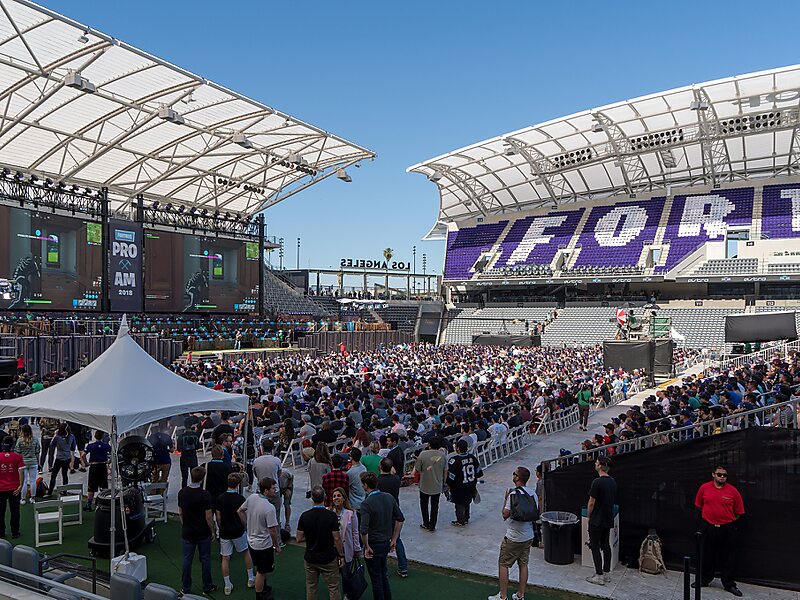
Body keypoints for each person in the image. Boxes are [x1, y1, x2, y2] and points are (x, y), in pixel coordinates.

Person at [694, 465, 745, 597]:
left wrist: (729, 520)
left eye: (724, 475)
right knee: (706, 555)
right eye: (719, 474)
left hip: (727, 528)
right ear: (713, 474)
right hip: (709, 527)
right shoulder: (704, 488)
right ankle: (704, 580)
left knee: (728, 557)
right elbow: (699, 505)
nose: (722, 477)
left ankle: (728, 584)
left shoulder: (733, 491)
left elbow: (739, 511)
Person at [488, 467, 537, 600]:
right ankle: (521, 595)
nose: (513, 475)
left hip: (513, 537)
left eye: (514, 474)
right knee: (523, 564)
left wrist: (505, 499)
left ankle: (503, 596)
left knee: (503, 564)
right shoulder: (533, 494)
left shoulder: (512, 494)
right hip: (528, 536)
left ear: (517, 478)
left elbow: (505, 514)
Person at [360, 471, 404, 600]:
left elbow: (364, 530)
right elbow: (400, 518)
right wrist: (394, 539)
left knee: (376, 578)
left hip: (373, 544)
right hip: (386, 542)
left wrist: (366, 546)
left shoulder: (366, 503)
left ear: (365, 485)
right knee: (382, 574)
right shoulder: (389, 497)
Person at [296, 486, 345, 600]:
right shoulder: (331, 516)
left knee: (311, 587)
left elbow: (298, 538)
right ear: (325, 497)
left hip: (311, 558)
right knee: (333, 588)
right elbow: (337, 539)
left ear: (312, 498)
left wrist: (309, 536)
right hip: (328, 558)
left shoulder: (305, 516)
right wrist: (341, 555)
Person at [239, 477, 281, 600]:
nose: (275, 490)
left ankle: (263, 587)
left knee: (261, 567)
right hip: (263, 544)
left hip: (251, 541)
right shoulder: (269, 508)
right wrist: (277, 545)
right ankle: (259, 595)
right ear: (266, 490)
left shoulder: (252, 498)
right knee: (261, 572)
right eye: (273, 488)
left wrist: (247, 524)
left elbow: (240, 511)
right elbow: (273, 530)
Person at [178, 466, 217, 595]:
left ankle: (185, 587)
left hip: (188, 531)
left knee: (187, 560)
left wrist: (185, 524)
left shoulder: (182, 492)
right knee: (205, 559)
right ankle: (207, 586)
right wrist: (212, 530)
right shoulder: (205, 495)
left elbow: (181, 513)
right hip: (202, 532)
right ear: (202, 479)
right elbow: (208, 516)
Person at [216, 473, 256, 595]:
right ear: (238, 484)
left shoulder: (220, 498)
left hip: (224, 531)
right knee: (245, 552)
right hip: (238, 530)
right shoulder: (240, 499)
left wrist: (220, 527)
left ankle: (227, 585)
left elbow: (218, 516)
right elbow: (243, 516)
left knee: (225, 557)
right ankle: (250, 578)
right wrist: (245, 526)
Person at [585, 457, 617, 586]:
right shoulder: (612, 482)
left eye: (597, 462)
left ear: (600, 466)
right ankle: (606, 573)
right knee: (605, 545)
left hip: (597, 519)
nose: (595, 464)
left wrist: (589, 516)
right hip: (607, 518)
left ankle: (599, 575)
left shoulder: (597, 482)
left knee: (595, 546)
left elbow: (591, 502)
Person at [377, 458, 408, 577]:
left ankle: (384, 570)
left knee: (383, 541)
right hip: (394, 512)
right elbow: (394, 473)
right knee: (397, 540)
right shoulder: (396, 479)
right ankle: (403, 567)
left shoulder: (378, 481)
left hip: (382, 514)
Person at [412, 436, 447, 532]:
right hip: (437, 484)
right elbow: (445, 471)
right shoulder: (442, 455)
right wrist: (444, 483)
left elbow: (418, 469)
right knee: (435, 505)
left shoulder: (423, 454)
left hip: (424, 484)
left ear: (429, 445)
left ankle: (426, 523)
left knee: (424, 504)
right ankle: (432, 525)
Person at [446, 439, 483, 527]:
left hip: (459, 487)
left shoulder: (454, 460)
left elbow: (451, 476)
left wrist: (448, 484)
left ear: (458, 448)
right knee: (467, 501)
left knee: (459, 503)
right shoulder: (472, 457)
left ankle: (460, 520)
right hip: (471, 484)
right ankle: (466, 518)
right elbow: (479, 472)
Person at [330, 486, 362, 574]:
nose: (336, 498)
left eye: (338, 496)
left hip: (346, 549)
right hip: (332, 549)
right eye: (334, 496)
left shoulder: (351, 513)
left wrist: (356, 548)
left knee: (346, 576)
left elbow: (355, 532)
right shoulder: (329, 513)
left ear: (344, 498)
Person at [253, 439, 283, 528]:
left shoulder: (256, 461)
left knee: (261, 516)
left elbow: (255, 474)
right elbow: (279, 474)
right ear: (272, 448)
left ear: (262, 448)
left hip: (261, 491)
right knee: (275, 517)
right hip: (274, 491)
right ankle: (277, 540)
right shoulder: (277, 460)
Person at [0, 436, 24, 539]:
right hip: (14, 488)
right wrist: (20, 486)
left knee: (1, 512)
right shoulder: (18, 457)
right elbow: (21, 472)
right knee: (15, 511)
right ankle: (15, 532)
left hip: (1, 488)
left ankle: (1, 532)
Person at [84, 430, 111, 511]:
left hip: (94, 466)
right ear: (102, 437)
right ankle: (104, 503)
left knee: (91, 486)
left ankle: (89, 504)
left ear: (95, 436)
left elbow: (83, 455)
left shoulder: (90, 446)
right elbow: (114, 453)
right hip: (102, 466)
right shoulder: (106, 446)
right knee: (103, 485)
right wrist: (109, 461)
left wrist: (86, 463)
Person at [45, 425, 75, 497]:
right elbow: (73, 447)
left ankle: (49, 492)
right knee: (64, 475)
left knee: (54, 475)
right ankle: (65, 491)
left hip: (59, 458)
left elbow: (51, 444)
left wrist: (55, 435)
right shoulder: (71, 437)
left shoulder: (57, 438)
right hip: (67, 457)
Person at [13, 424, 40, 505]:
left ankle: (23, 499)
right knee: (33, 481)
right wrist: (38, 463)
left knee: (24, 481)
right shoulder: (35, 439)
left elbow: (16, 452)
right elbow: (37, 452)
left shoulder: (20, 440)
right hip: (33, 462)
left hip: (23, 462)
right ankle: (33, 498)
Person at [177, 423, 200, 489]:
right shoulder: (195, 435)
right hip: (193, 456)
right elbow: (198, 446)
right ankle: (195, 489)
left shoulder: (181, 436)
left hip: (184, 457)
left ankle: (184, 490)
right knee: (195, 475)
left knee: (184, 477)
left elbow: (179, 449)